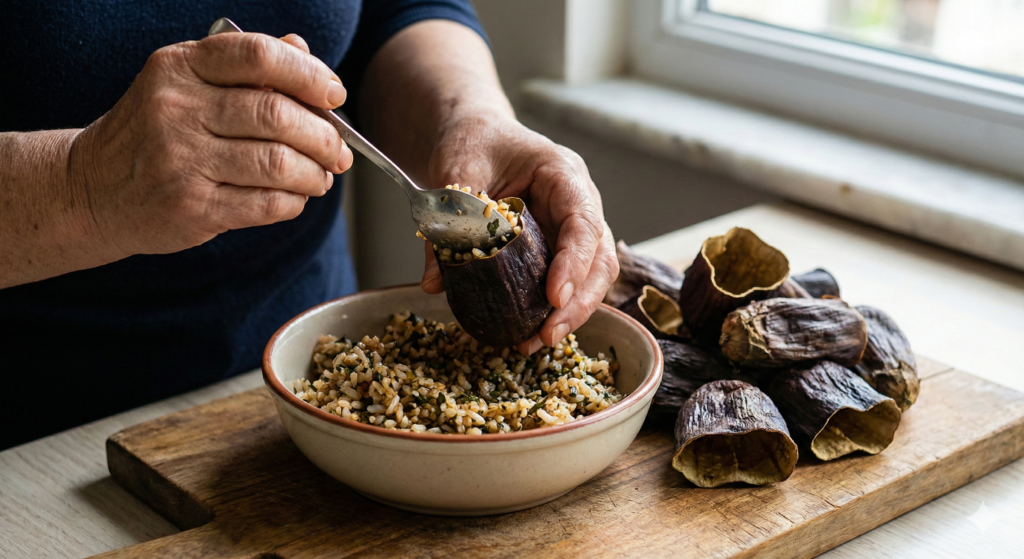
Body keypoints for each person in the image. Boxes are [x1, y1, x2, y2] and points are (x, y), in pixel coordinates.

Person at [0, 1, 618, 450]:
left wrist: (466, 116)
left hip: (314, 382)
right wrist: (78, 185)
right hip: (35, 433)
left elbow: (396, 11)